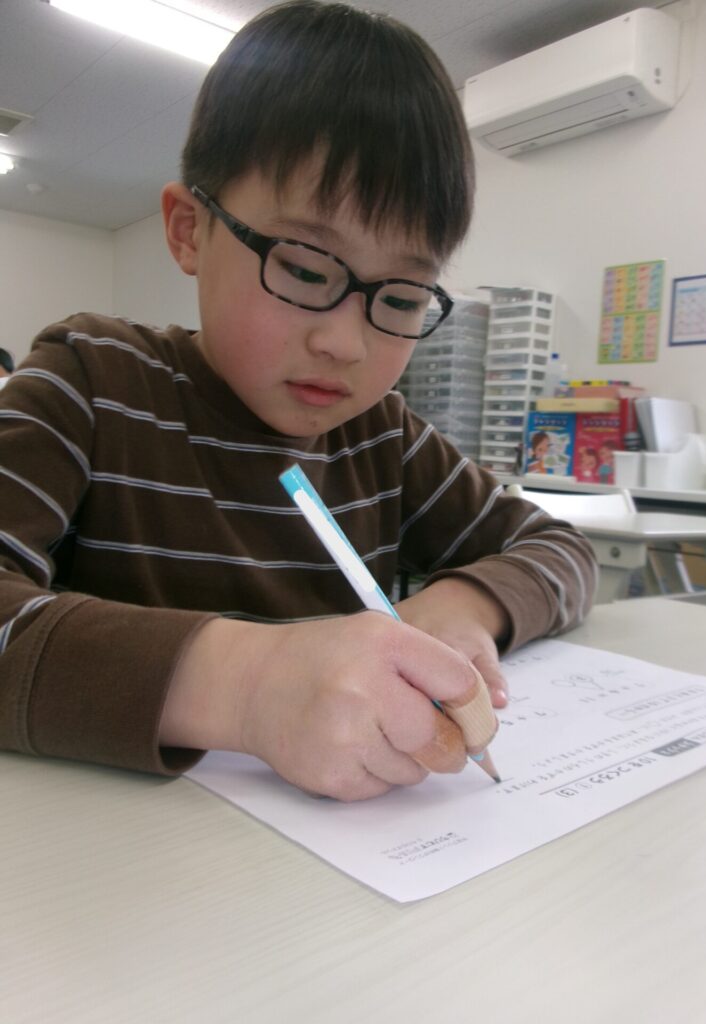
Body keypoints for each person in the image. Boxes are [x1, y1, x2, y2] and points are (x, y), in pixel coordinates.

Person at [0, 1, 597, 801]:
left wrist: (464, 604)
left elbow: (560, 548)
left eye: (402, 297)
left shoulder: (382, 437)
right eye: (307, 270)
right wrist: (248, 685)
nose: (345, 343)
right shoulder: (89, 383)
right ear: (188, 230)